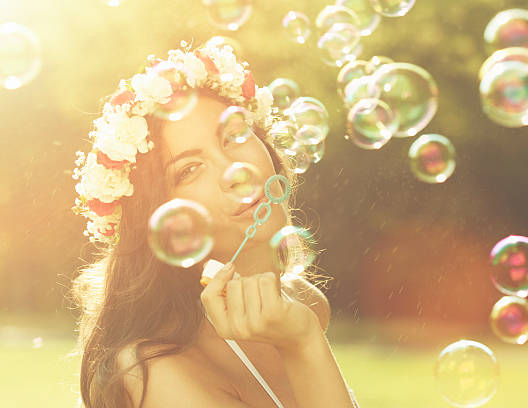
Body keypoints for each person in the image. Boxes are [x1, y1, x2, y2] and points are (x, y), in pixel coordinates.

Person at [71, 38, 360, 408]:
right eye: (189, 170)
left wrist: (303, 335)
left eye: (234, 136)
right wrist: (302, 343)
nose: (234, 174)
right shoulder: (160, 370)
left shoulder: (302, 302)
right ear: (162, 222)